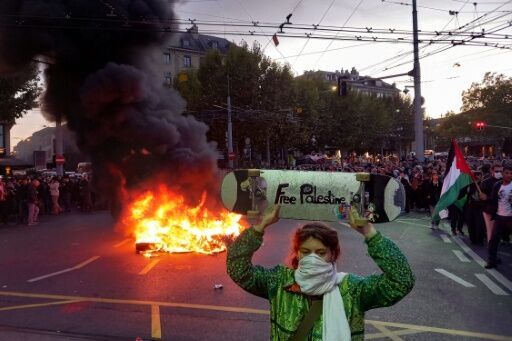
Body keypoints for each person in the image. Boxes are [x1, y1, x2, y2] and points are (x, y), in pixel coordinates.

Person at [227, 206, 415, 340]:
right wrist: (260, 227)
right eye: (306, 252)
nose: (312, 258)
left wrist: (369, 233)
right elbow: (238, 269)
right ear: (297, 253)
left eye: (321, 253)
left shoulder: (352, 290)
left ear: (333, 254)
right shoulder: (279, 282)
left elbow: (402, 280)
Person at [485, 165, 512, 269]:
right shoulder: (497, 185)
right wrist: (485, 198)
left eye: (511, 173)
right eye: (507, 173)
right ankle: (492, 261)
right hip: (500, 217)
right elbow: (493, 200)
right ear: (502, 173)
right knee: (493, 240)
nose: (509, 175)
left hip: (510, 217)